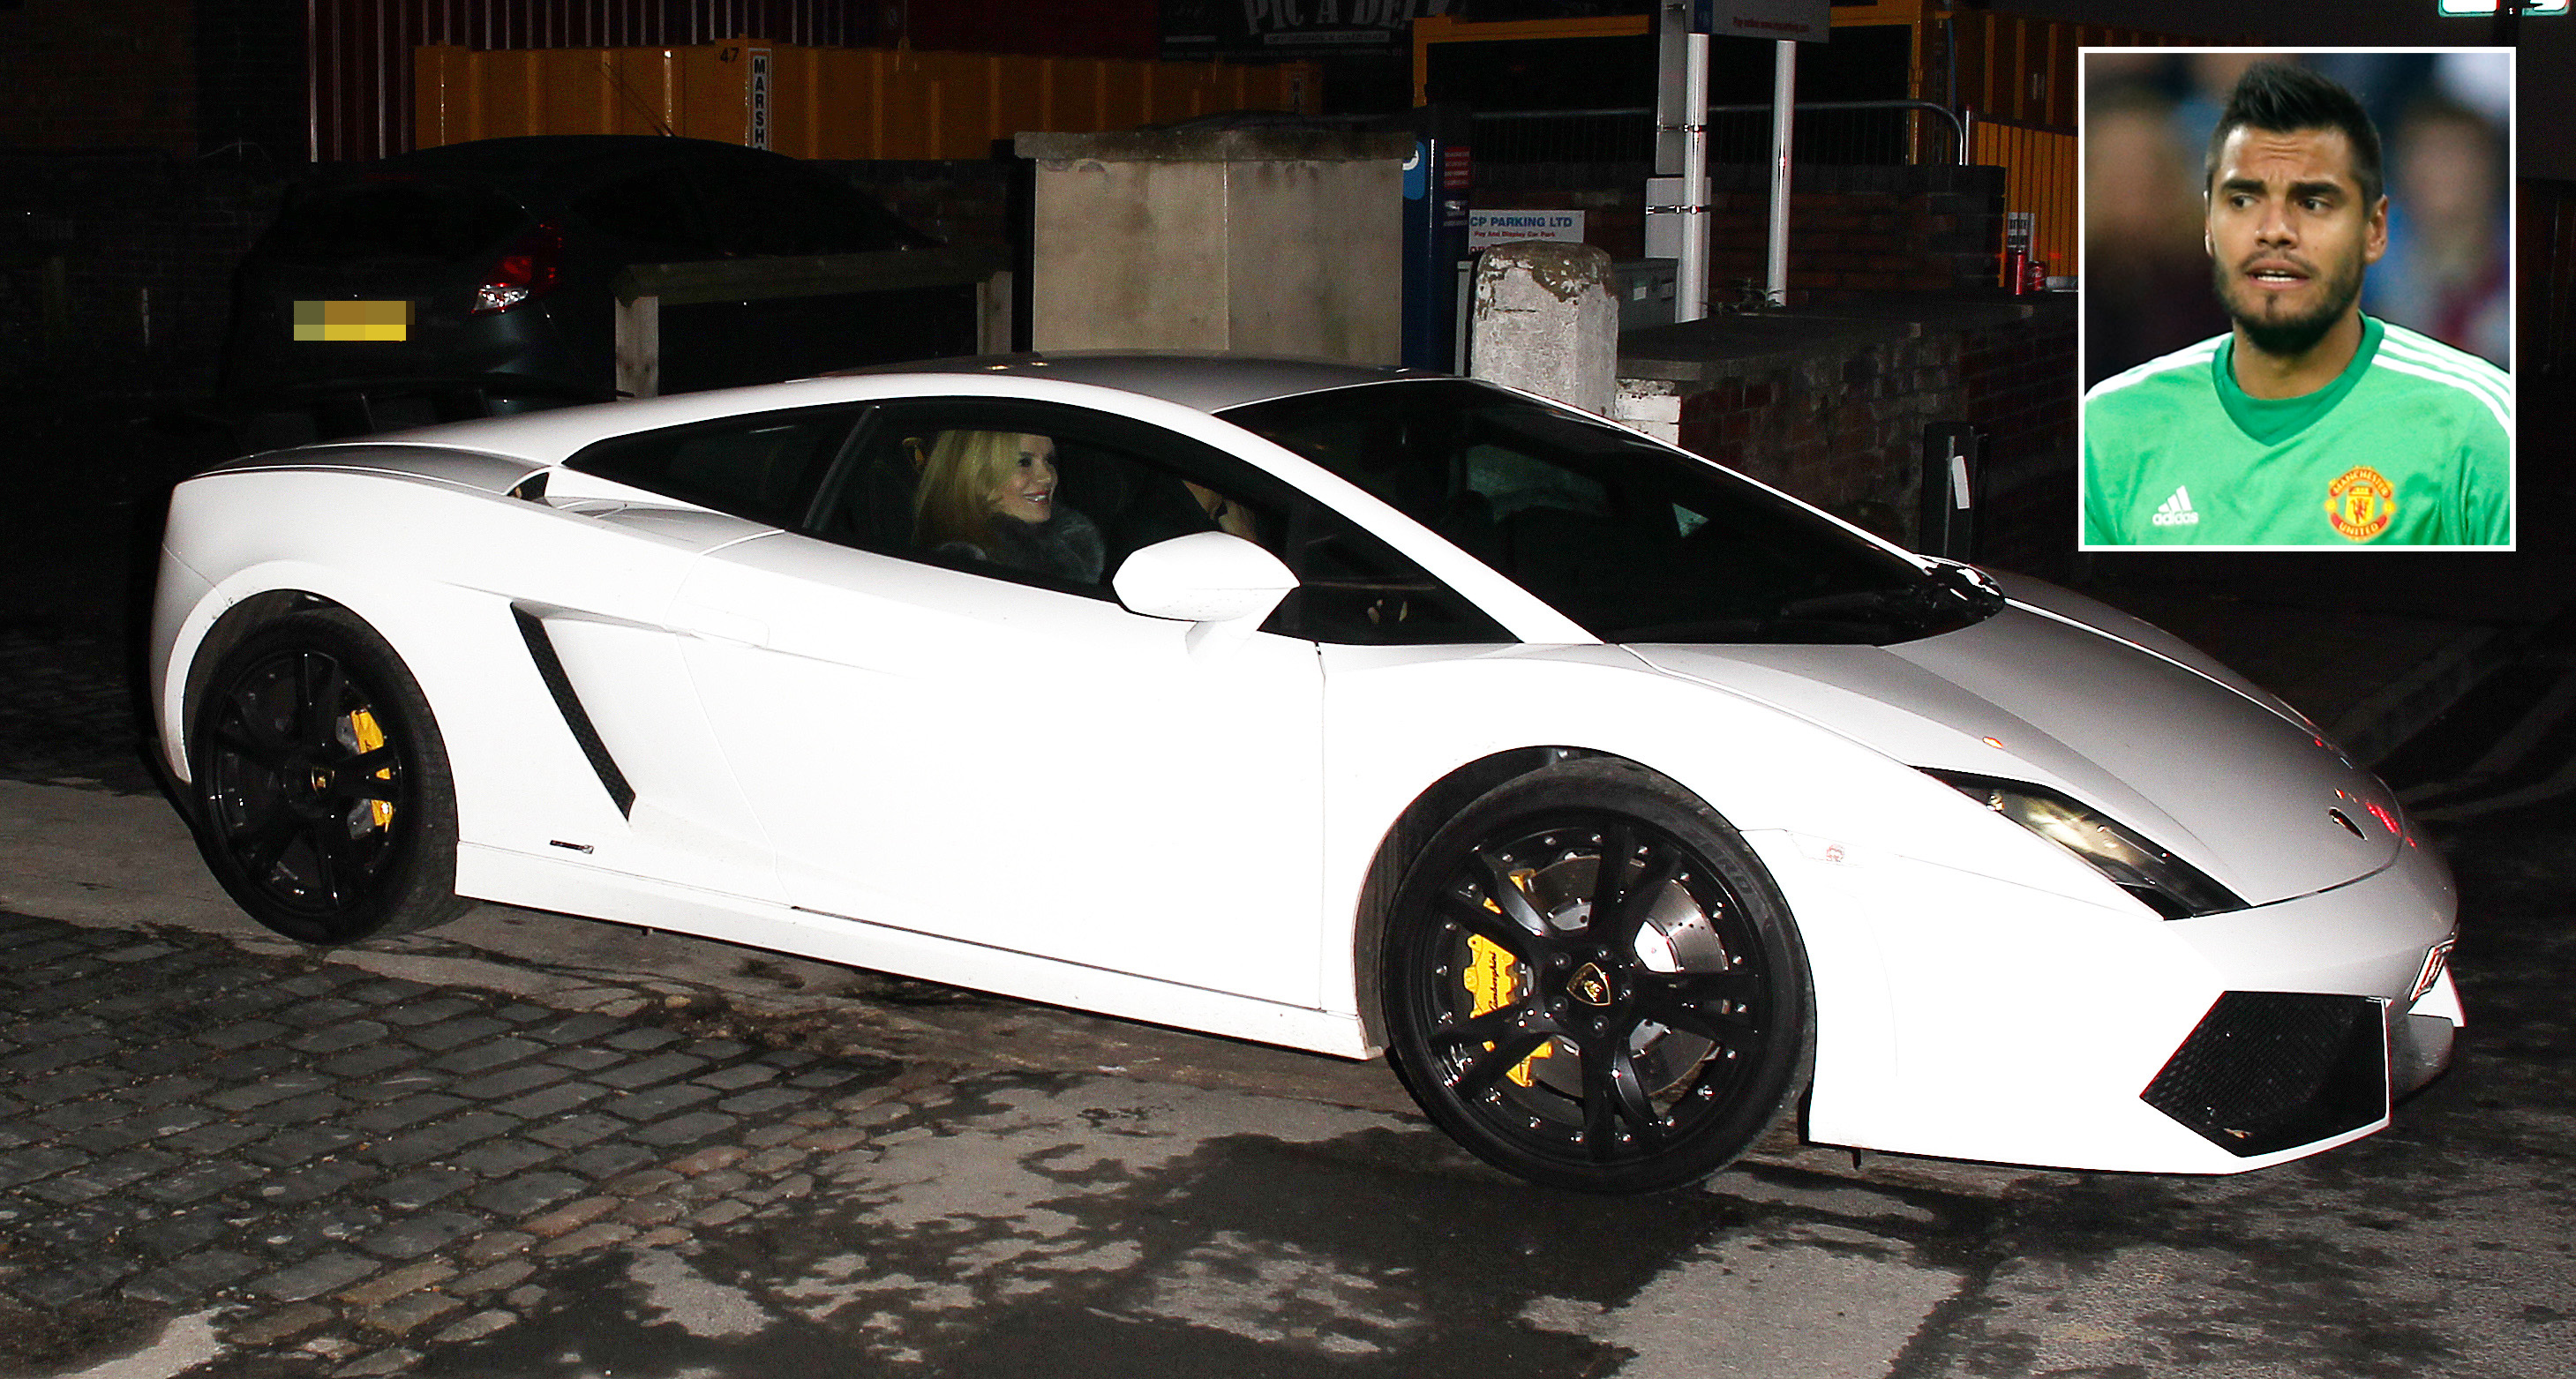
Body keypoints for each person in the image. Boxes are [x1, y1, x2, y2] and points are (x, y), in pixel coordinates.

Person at [2082, 61, 2511, 548]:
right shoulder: (2113, 423)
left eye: (2313, 202)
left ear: (2375, 230)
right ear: (2208, 224)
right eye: (2244, 200)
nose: (2275, 231)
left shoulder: (2479, 423)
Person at [912, 430, 1105, 582]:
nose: (1048, 476)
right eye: (1024, 462)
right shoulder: (965, 566)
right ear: (977, 475)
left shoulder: (1066, 543)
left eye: (1048, 460)